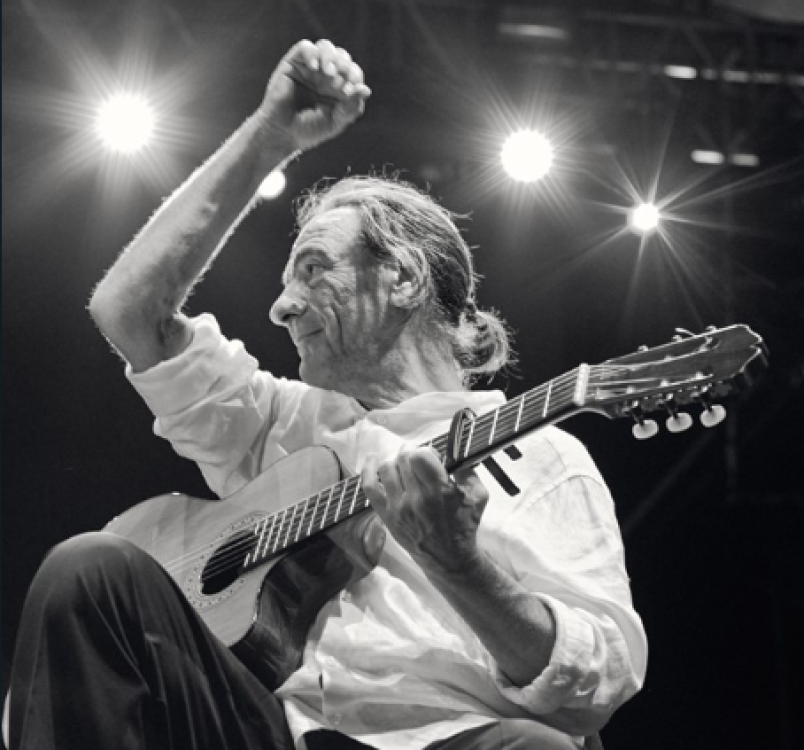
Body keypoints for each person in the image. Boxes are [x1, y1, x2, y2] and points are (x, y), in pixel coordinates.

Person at [6, 40, 647, 750]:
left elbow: (599, 682)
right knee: (88, 569)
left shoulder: (546, 454)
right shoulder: (284, 424)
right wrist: (270, 136)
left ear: (403, 278)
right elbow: (129, 311)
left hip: (455, 735)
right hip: (268, 730)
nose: (282, 307)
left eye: (312, 271)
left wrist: (458, 563)